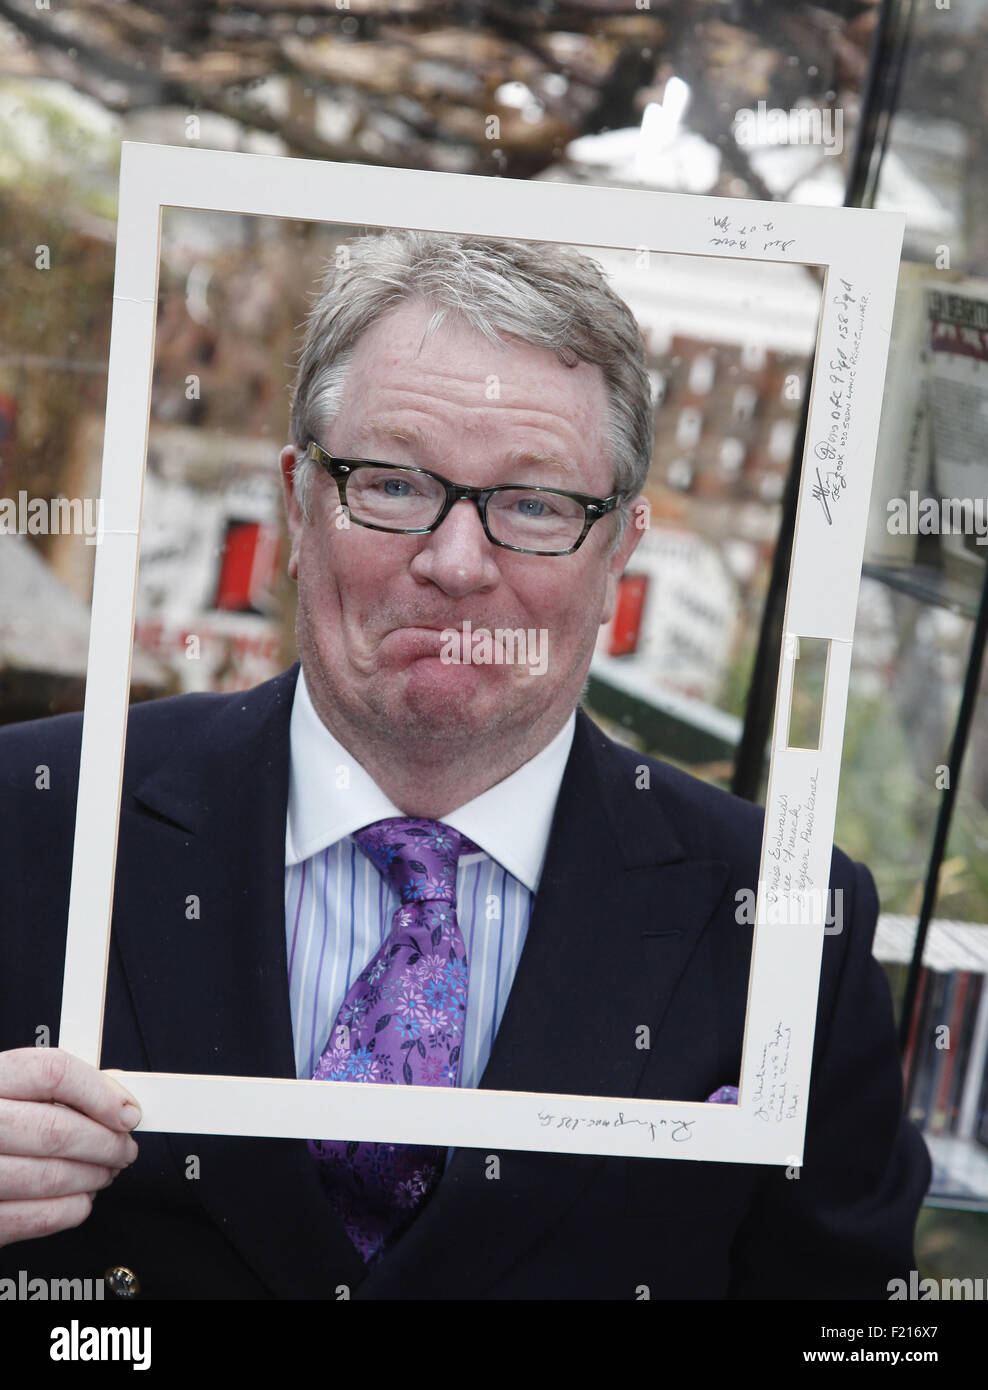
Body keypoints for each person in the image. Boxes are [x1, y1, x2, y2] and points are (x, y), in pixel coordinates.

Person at [0, 231, 929, 1299]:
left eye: (532, 505)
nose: (453, 563)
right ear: (301, 500)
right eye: (393, 484)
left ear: (621, 547)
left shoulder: (781, 919)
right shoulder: (35, 819)